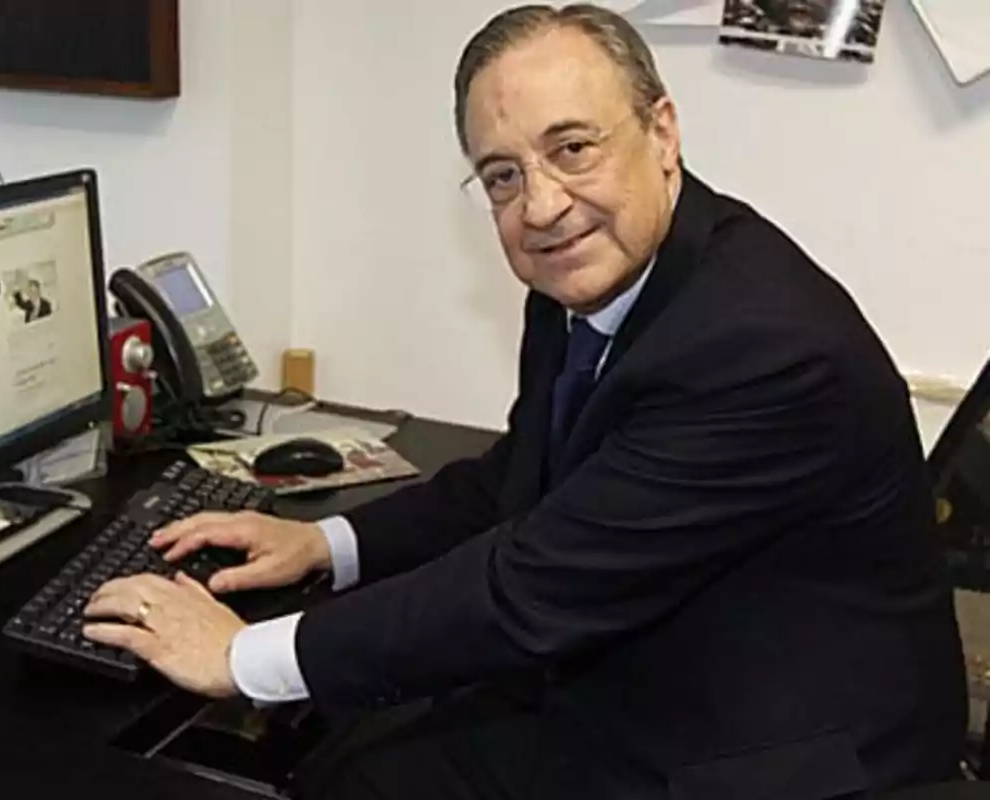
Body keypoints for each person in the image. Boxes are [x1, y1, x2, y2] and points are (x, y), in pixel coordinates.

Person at [83, 4, 968, 798]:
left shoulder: (760, 347)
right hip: (660, 659)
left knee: (352, 761)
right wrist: (325, 543)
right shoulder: (600, 268)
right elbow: (524, 474)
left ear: (663, 133)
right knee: (352, 750)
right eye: (502, 175)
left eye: (572, 148)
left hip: (771, 751)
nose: (540, 204)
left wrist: (239, 656)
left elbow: (526, 592)